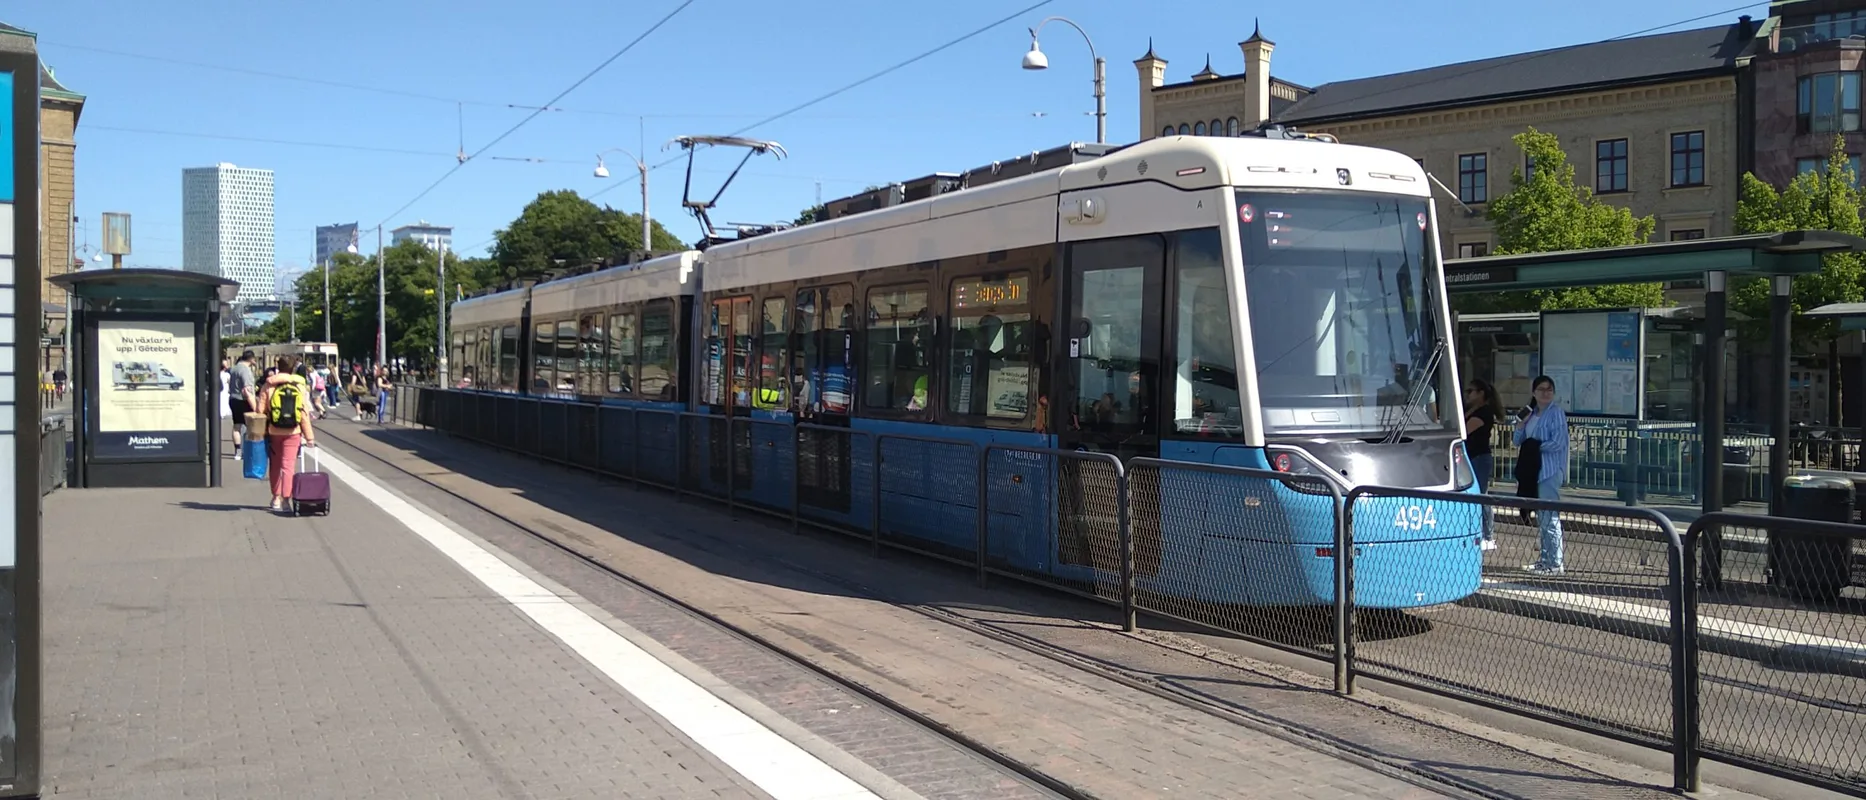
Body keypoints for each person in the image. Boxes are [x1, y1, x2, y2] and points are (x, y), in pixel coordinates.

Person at [1512, 375, 1570, 574]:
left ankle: (1554, 562)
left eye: (1549, 389)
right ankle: (1545, 559)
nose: (1546, 393)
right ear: (1534, 392)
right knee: (1542, 517)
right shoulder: (1530, 413)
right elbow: (1516, 439)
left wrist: (1534, 447)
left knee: (1549, 515)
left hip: (1549, 470)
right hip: (1532, 472)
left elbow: (1558, 442)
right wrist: (1520, 426)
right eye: (1541, 389)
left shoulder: (1556, 413)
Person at [258, 357, 317, 513]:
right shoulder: (299, 386)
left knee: (275, 465)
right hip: (293, 432)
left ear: (278, 367)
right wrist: (309, 437)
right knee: (288, 466)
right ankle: (286, 500)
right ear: (293, 369)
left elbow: (260, 411)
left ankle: (275, 498)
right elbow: (303, 414)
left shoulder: (268, 385)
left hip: (273, 431)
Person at [1463, 379, 1502, 551]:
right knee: (1474, 495)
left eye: (1470, 391)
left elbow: (1464, 430)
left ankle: (1488, 535)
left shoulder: (1484, 412)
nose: (1468, 395)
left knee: (1481, 495)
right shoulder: (1472, 410)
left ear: (1481, 393)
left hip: (1480, 457)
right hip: (1471, 456)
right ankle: (1478, 532)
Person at [228, 351, 258, 461]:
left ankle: (238, 451)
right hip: (244, 400)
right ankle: (248, 451)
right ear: (251, 359)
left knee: (237, 426)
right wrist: (255, 407)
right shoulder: (246, 371)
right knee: (250, 427)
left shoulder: (234, 368)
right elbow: (247, 390)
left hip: (233, 399)